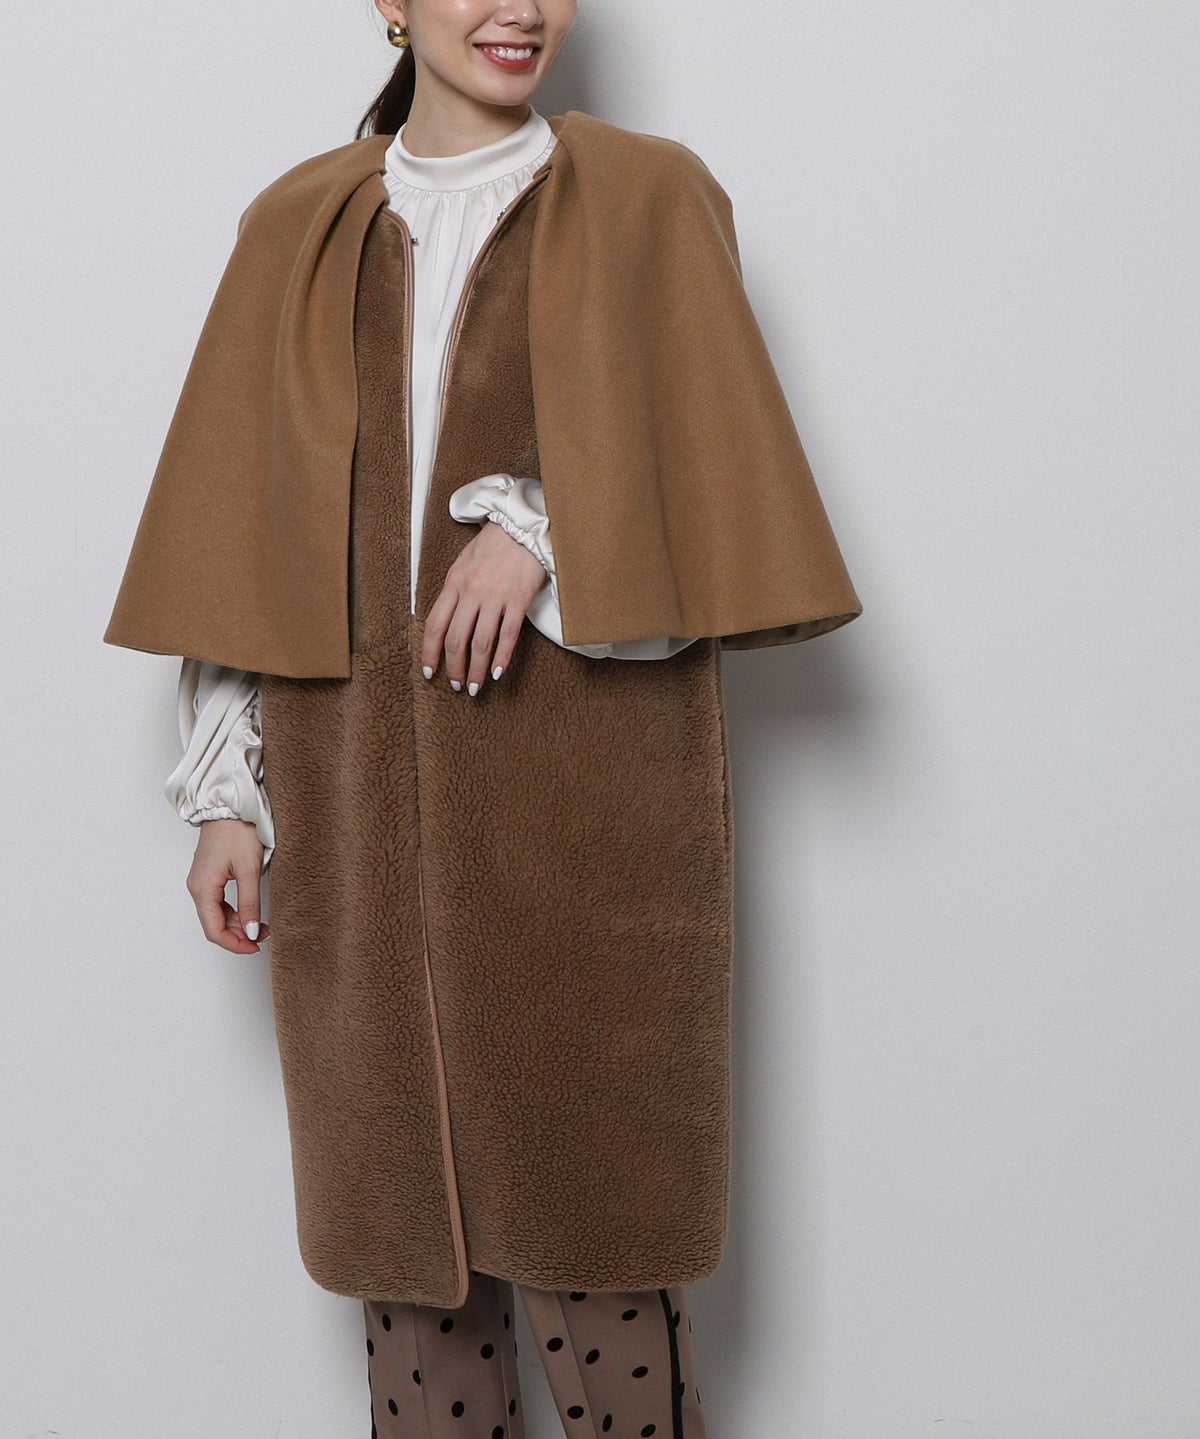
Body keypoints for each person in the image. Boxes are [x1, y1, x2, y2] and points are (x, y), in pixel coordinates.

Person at [103, 2, 863, 1434]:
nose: (519, 8)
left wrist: (541, 529)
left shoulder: (647, 198)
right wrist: (224, 794)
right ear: (390, 3)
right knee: (410, 1268)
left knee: (600, 1250)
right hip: (354, 828)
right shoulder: (299, 227)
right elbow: (248, 534)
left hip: (587, 829)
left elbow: (709, 467)